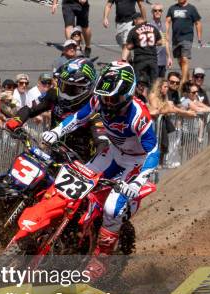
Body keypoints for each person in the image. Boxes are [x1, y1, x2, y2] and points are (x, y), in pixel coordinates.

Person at [40, 61, 158, 278]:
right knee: (75, 182)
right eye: (104, 97)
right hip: (112, 153)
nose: (107, 102)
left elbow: (153, 152)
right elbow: (79, 116)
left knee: (112, 209)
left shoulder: (139, 116)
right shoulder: (99, 99)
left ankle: (100, 260)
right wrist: (57, 131)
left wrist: (138, 182)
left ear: (127, 95)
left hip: (135, 163)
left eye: (112, 98)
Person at [6, 58, 99, 162]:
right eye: (64, 85)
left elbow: (101, 141)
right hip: (55, 154)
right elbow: (29, 108)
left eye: (73, 89)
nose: (66, 92)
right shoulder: (53, 93)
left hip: (82, 162)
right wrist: (17, 120)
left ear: (87, 87)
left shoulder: (94, 106)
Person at [165, 0, 202, 84]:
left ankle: (183, 82)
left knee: (184, 59)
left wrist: (199, 38)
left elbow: (198, 23)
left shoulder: (191, 8)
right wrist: (166, 33)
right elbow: (167, 21)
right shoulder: (172, 8)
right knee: (180, 61)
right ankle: (189, 79)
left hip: (187, 38)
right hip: (176, 39)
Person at [122, 13, 162, 87]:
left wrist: (136, 44)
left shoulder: (133, 30)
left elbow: (129, 46)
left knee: (138, 83)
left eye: (134, 23)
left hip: (140, 60)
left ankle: (138, 97)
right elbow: (160, 42)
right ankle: (152, 97)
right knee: (154, 84)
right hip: (152, 59)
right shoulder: (153, 28)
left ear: (135, 20)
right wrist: (151, 43)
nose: (134, 25)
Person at [149, 3, 172, 78]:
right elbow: (148, 43)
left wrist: (169, 57)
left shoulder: (164, 25)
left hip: (163, 60)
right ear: (152, 12)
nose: (157, 12)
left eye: (160, 10)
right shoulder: (150, 25)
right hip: (154, 60)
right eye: (155, 10)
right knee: (154, 85)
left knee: (161, 84)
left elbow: (166, 41)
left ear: (162, 12)